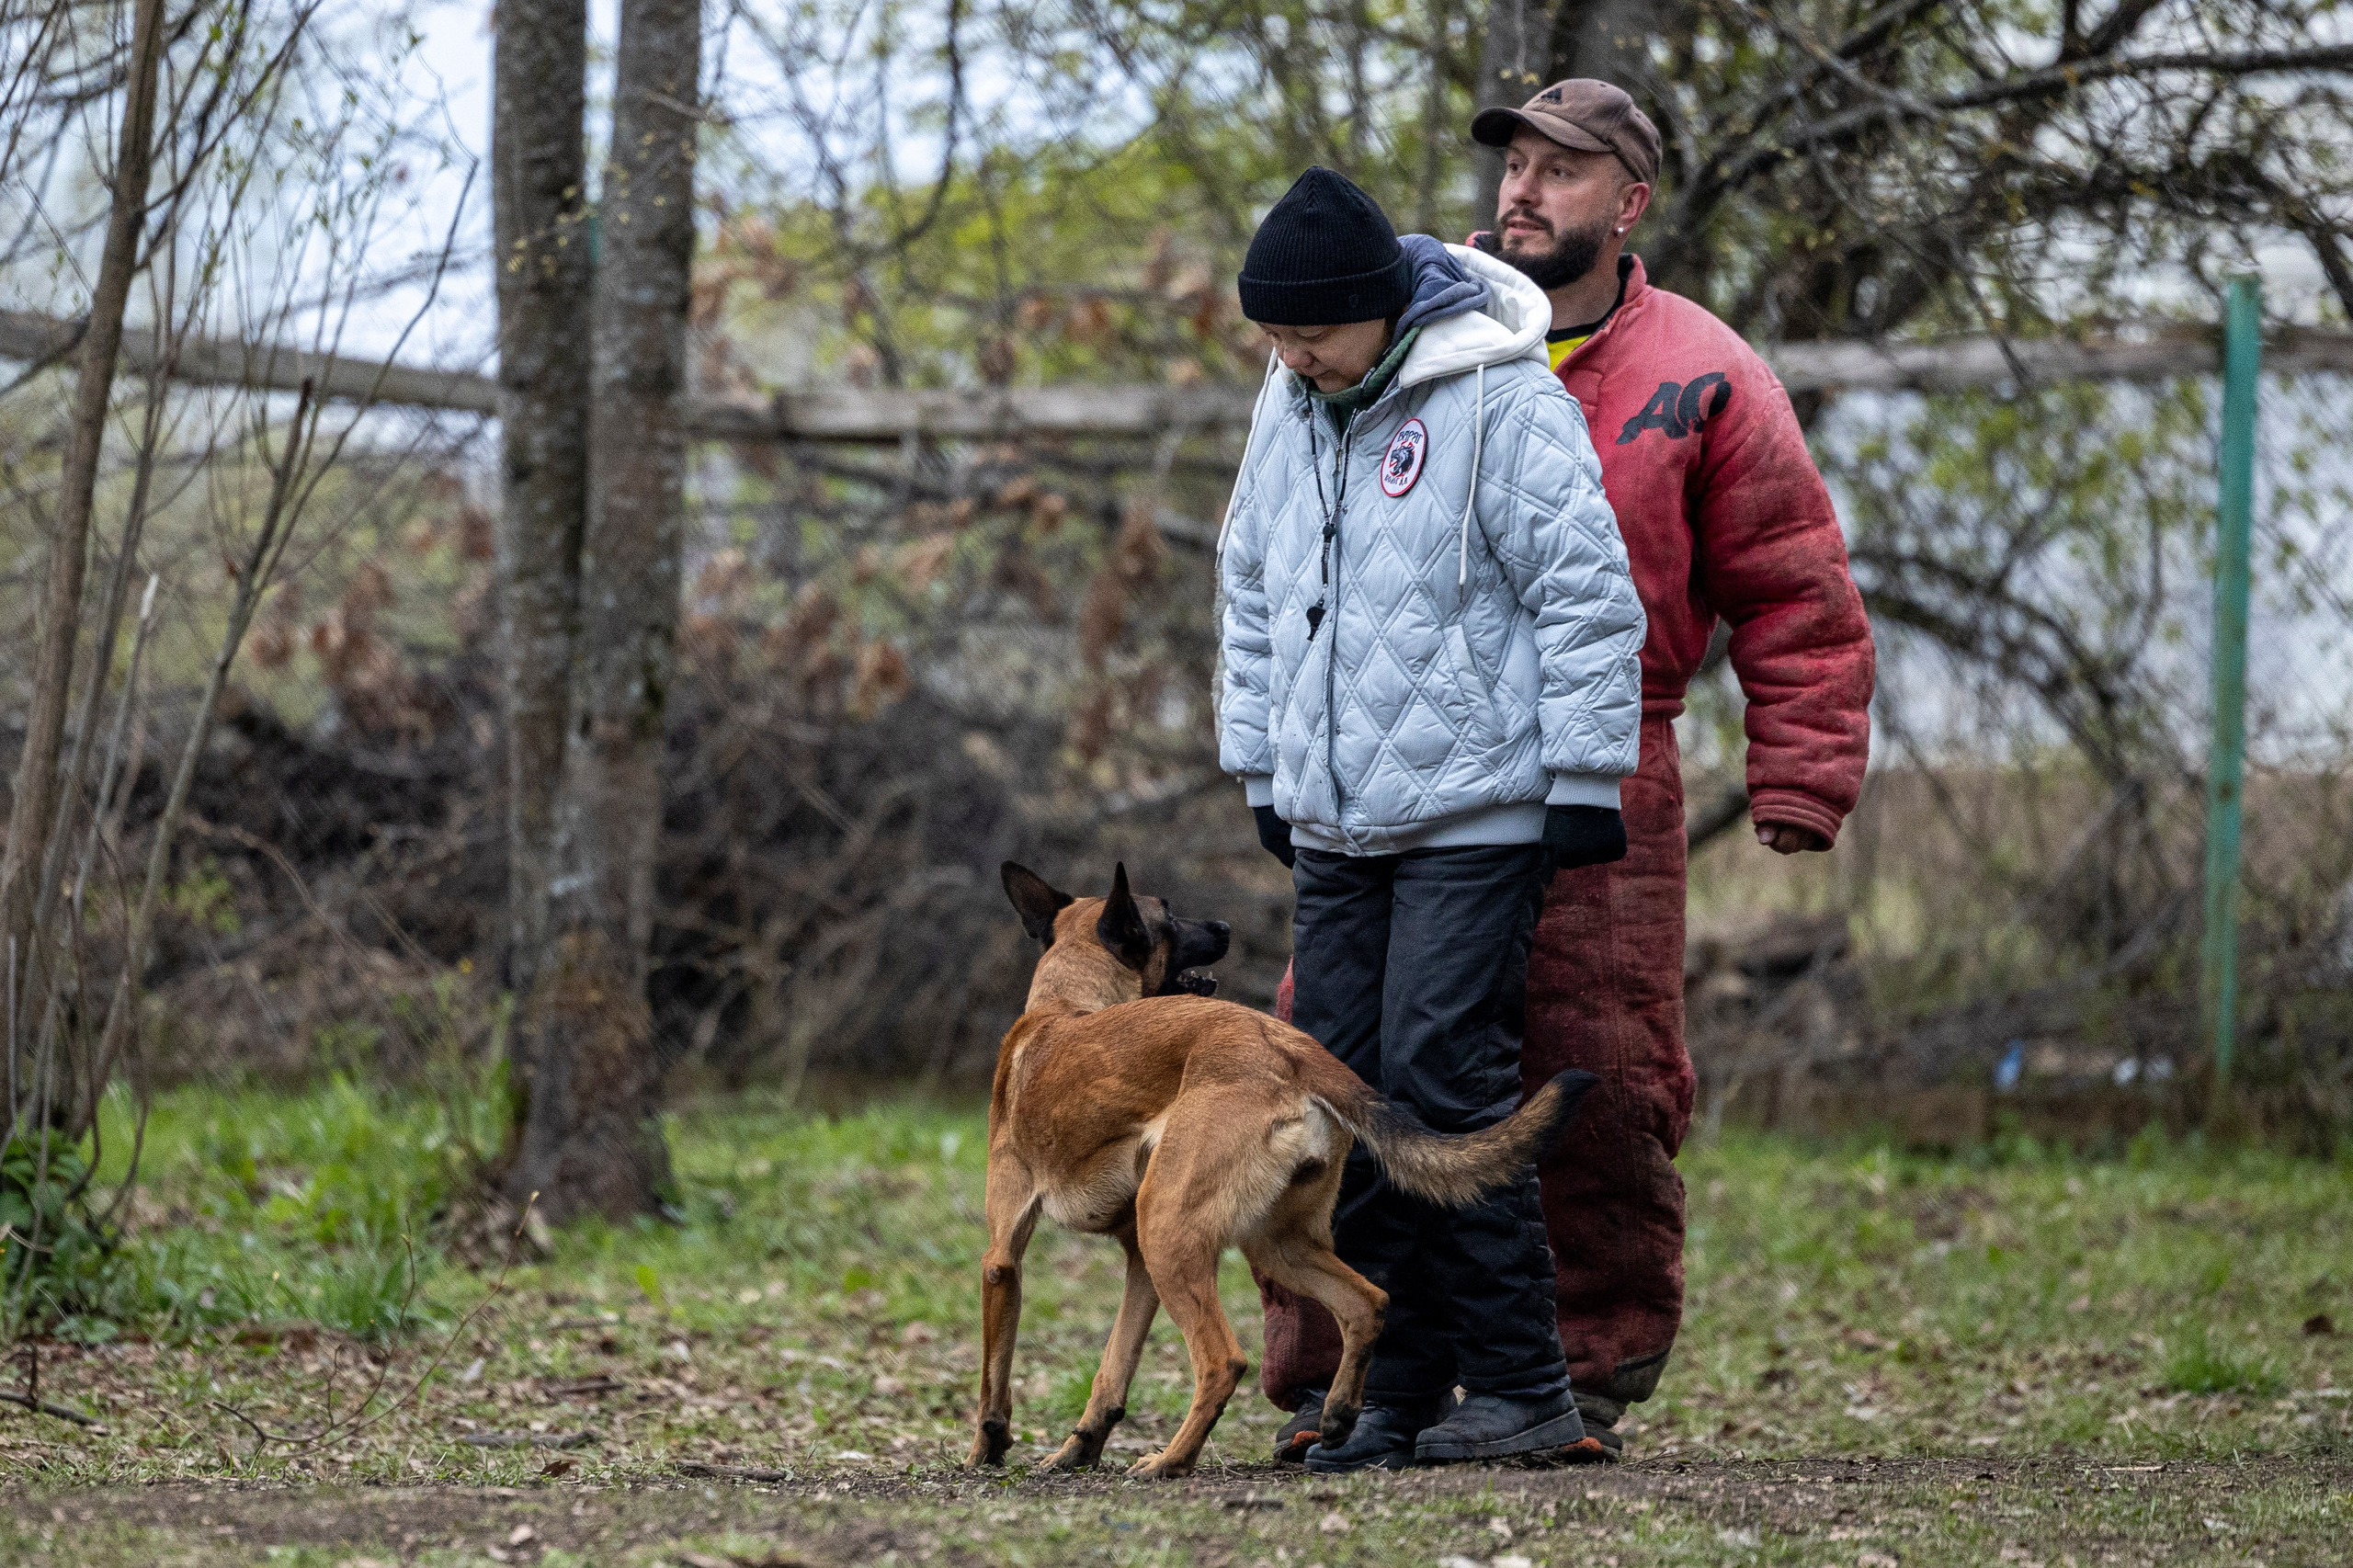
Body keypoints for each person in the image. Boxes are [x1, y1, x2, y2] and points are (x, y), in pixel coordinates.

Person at [1257, 85, 1877, 1462]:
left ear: (1631, 202)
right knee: (1341, 1064)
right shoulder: (1380, 339)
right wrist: (1275, 754)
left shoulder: (1702, 370)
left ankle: (1572, 1373)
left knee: (1595, 1069)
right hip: (1392, 774)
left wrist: (1804, 767)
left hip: (1611, 763)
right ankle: (1347, 1369)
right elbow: (1272, 570)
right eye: (1516, 165)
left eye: (1563, 171)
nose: (1524, 191)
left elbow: (1793, 581)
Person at [1218, 165, 1647, 1471]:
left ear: (1382, 308)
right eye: (1274, 335)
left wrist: (1584, 775)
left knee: (1445, 1081)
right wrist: (1263, 769)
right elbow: (1250, 586)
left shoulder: (1501, 396)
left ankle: (1523, 1383)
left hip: (1479, 811)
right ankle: (1387, 1389)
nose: (1292, 355)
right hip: (1336, 821)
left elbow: (1585, 591)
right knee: (1342, 1095)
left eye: (1312, 333)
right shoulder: (1291, 401)